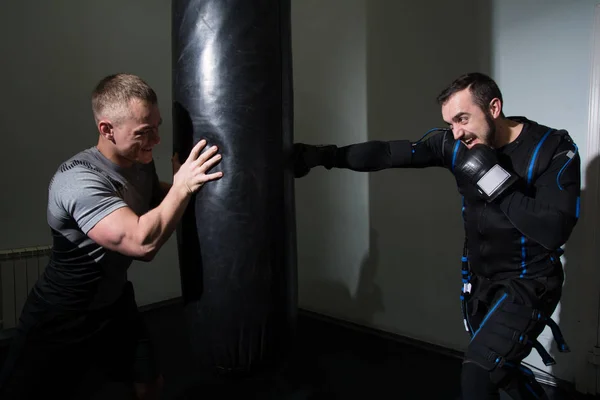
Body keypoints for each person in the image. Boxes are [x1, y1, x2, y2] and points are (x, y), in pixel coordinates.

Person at [292, 72, 580, 399]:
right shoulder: (455, 144)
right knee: (499, 370)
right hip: (480, 281)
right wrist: (321, 156)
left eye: (462, 119)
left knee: (477, 372)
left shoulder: (551, 147)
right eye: (450, 123)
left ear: (494, 107)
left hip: (530, 282)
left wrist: (493, 180)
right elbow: (387, 153)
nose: (456, 133)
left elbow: (554, 230)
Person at [0, 73, 223, 399]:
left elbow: (151, 205)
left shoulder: (139, 160)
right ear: (107, 129)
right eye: (144, 132)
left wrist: (177, 187)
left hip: (114, 301)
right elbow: (141, 242)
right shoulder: (78, 180)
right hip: (62, 312)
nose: (156, 140)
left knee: (149, 383)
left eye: (157, 126)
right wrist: (184, 187)